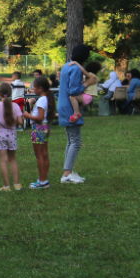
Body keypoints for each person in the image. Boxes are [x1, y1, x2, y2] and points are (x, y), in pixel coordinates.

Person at [57, 44, 89, 184]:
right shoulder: (76, 68)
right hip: (70, 107)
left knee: (71, 140)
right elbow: (74, 91)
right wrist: (86, 84)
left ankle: (68, 172)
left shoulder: (67, 66)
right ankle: (66, 174)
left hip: (62, 104)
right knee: (76, 141)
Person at [0, 83, 23, 191]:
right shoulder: (16, 106)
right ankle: (17, 184)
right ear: (10, 93)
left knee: (3, 161)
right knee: (13, 160)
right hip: (12, 134)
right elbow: (20, 122)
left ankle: (6, 186)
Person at [27, 75, 56, 189]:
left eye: (34, 87)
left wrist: (27, 115)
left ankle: (42, 181)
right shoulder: (46, 99)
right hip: (45, 127)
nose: (33, 89)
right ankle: (44, 180)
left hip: (39, 128)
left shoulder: (41, 101)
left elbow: (39, 117)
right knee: (44, 154)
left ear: (40, 88)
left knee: (39, 155)